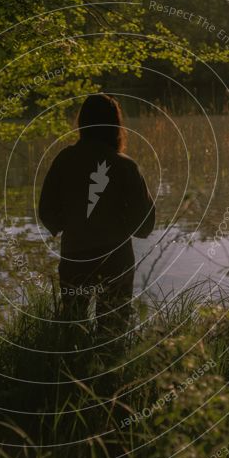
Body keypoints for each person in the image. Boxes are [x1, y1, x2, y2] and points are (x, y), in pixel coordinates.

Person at [38, 93, 155, 336]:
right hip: (116, 258)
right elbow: (144, 224)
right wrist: (122, 224)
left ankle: (68, 370)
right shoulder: (125, 165)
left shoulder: (65, 160)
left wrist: (69, 224)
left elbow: (47, 211)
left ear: (83, 123)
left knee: (73, 327)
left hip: (75, 256)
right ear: (116, 125)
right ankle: (109, 371)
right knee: (112, 331)